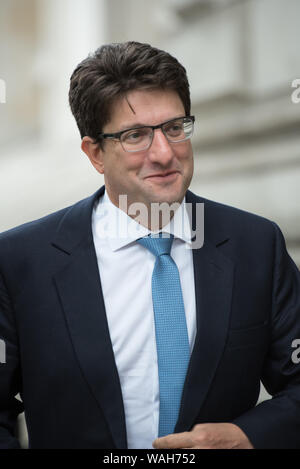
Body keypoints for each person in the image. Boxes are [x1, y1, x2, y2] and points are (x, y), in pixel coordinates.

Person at [0, 41, 300, 450]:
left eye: (175, 128)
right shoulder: (20, 261)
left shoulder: (255, 245)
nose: (165, 153)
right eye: (136, 135)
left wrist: (250, 436)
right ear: (95, 153)